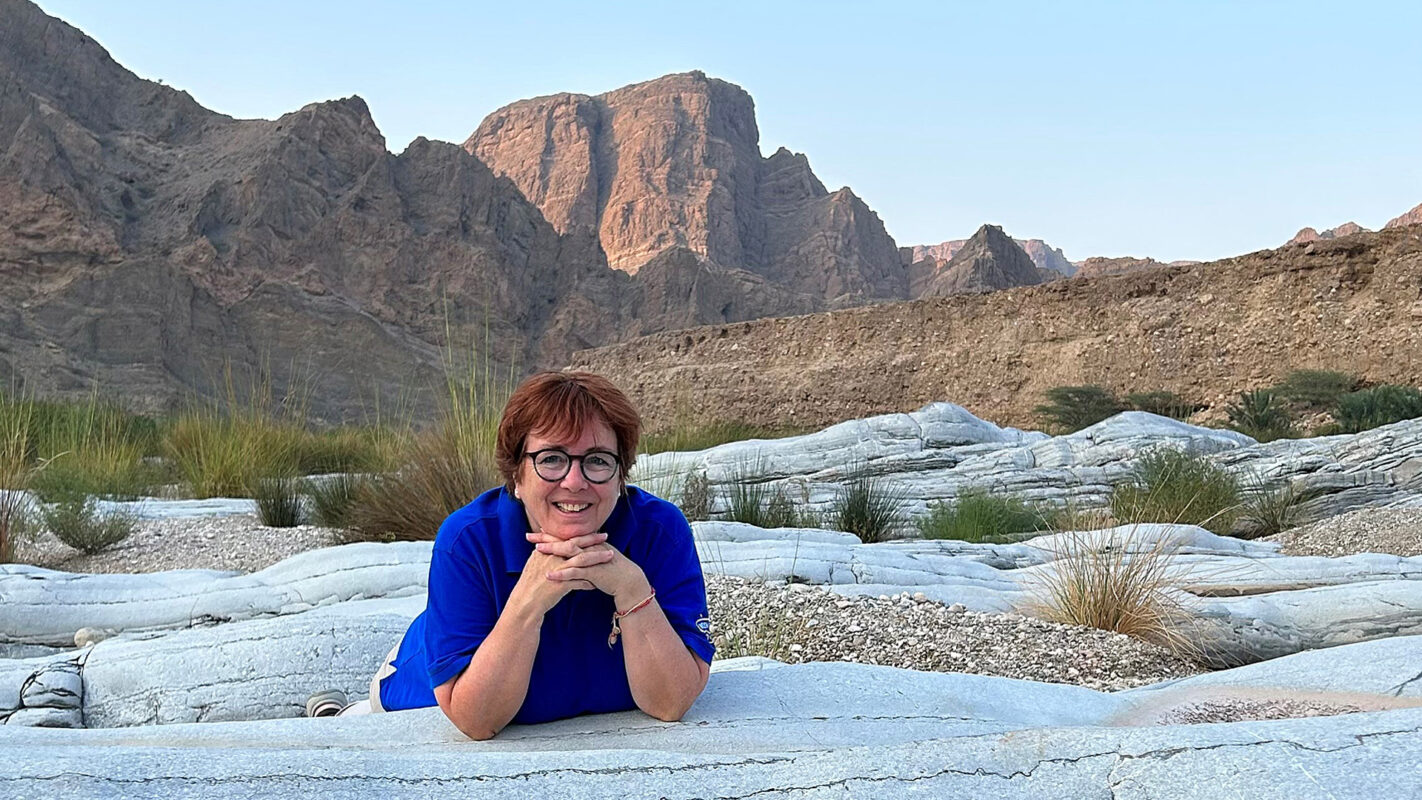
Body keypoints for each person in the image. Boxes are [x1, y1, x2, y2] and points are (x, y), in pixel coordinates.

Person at [307, 371, 715, 739]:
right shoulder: (468, 539)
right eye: (551, 459)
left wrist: (631, 588)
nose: (575, 481)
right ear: (516, 475)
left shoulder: (661, 533)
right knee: (355, 725)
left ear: (621, 474)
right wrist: (529, 599)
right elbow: (476, 720)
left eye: (597, 461)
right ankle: (339, 713)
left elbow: (669, 703)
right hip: (417, 692)